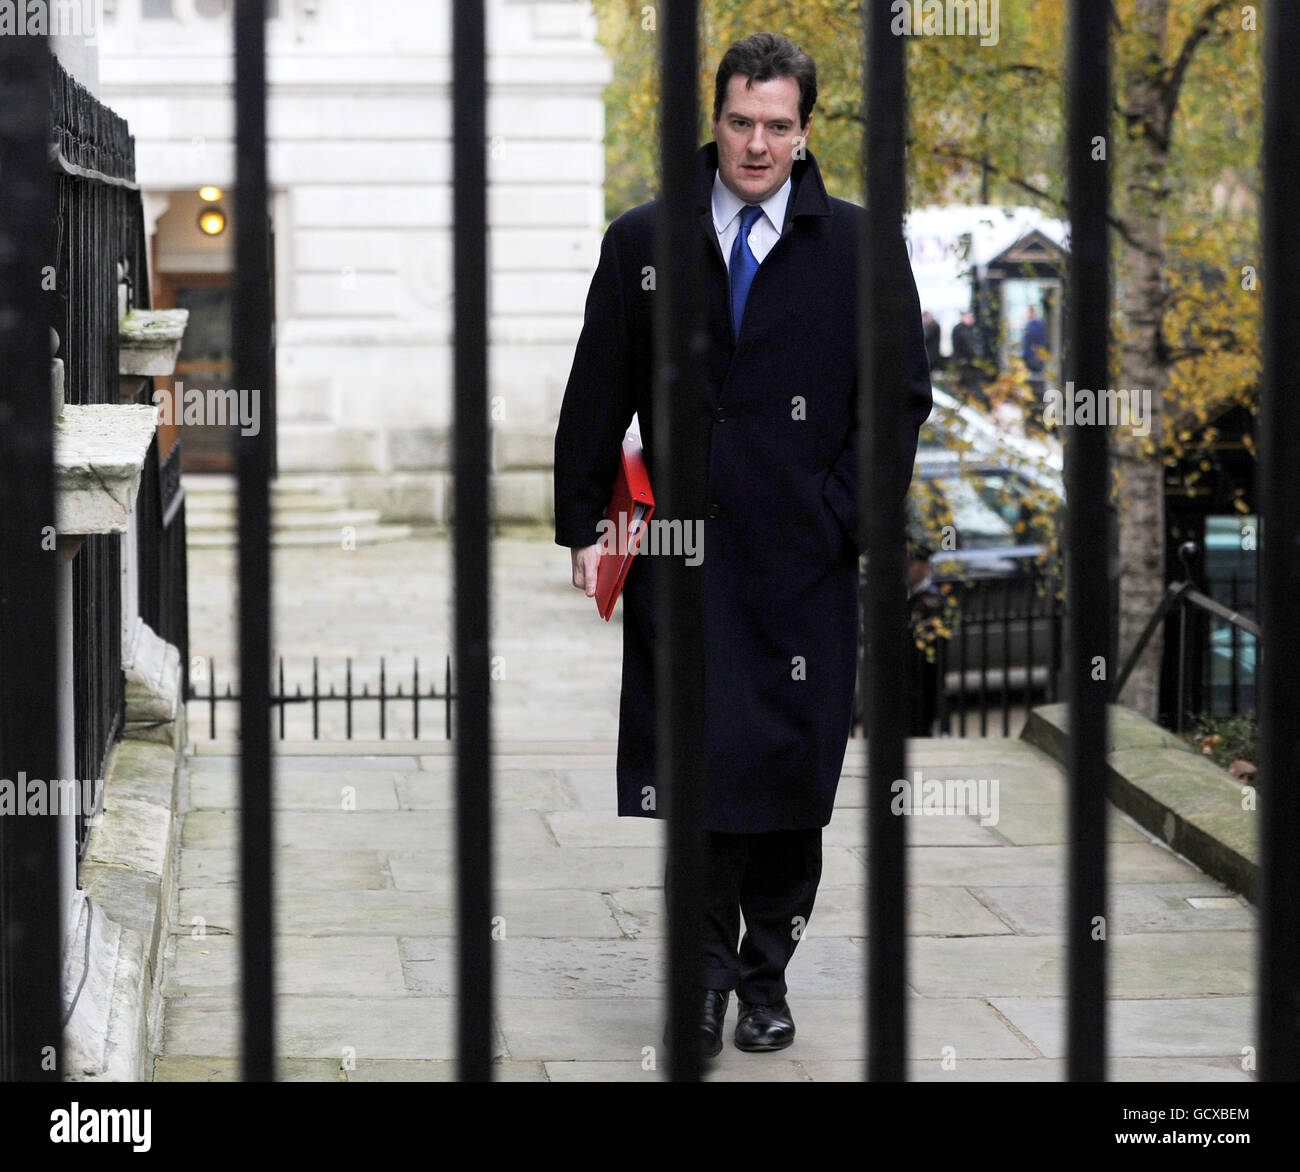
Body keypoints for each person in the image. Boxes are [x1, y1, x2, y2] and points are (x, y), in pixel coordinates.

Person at [552, 31, 932, 1060]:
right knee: (699, 784)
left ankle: (765, 973)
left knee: (787, 787)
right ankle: (703, 982)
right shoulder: (643, 241)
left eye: (776, 125)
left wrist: (845, 514)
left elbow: (897, 400)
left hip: (802, 568)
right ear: (712, 121)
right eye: (739, 121)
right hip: (682, 565)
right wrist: (582, 519)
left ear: (804, 133)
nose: (755, 143)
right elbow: (599, 387)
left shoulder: (857, 247)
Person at [950, 308, 987, 412]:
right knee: (968, 387)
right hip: (965, 364)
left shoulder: (967, 329)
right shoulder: (961, 329)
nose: (972, 319)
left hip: (967, 364)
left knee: (966, 388)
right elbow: (969, 346)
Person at [921, 310, 942, 375]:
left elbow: (926, 336)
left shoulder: (934, 325)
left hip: (932, 355)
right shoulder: (929, 325)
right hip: (929, 354)